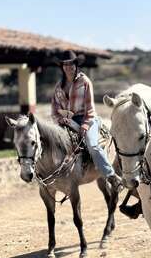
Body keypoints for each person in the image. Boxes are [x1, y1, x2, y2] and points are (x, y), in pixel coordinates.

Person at [52, 50, 122, 191]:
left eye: (71, 64)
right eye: (65, 64)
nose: (68, 67)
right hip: (65, 122)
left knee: (92, 145)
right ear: (62, 67)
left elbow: (90, 109)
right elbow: (54, 110)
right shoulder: (58, 87)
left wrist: (85, 124)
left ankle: (111, 176)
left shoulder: (84, 82)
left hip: (86, 119)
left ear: (76, 65)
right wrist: (61, 120)